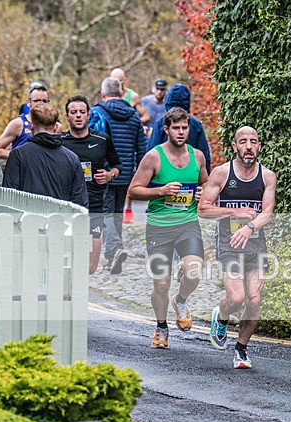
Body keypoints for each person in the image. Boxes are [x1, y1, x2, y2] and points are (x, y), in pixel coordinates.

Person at [127, 107, 209, 349]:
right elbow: (133, 191)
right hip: (159, 227)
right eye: (176, 128)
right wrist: (161, 191)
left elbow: (206, 183)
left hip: (187, 223)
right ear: (166, 129)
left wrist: (203, 192)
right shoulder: (153, 157)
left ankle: (180, 300)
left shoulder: (198, 157)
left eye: (184, 128)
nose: (181, 132)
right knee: (161, 284)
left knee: (194, 271)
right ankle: (161, 327)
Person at [198, 126, 276, 369]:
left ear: (259, 146)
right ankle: (221, 317)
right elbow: (203, 209)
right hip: (228, 243)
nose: (249, 146)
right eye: (243, 142)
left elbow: (267, 212)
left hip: (255, 243)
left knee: (254, 299)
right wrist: (234, 212)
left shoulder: (267, 176)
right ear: (235, 146)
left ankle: (241, 349)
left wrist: (249, 227)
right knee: (236, 296)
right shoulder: (221, 173)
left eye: (253, 141)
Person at [88, 76, 148, 274]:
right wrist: (140, 176)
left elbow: (90, 142)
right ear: (122, 93)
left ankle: (114, 249)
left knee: (105, 214)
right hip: (125, 173)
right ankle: (111, 258)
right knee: (116, 214)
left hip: (103, 173)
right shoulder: (134, 116)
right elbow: (142, 148)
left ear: (103, 93)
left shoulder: (97, 112)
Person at [61, 95, 123, 274]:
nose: (78, 115)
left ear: (88, 116)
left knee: (90, 268)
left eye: (82, 112)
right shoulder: (60, 141)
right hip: (67, 207)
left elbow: (118, 165)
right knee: (67, 262)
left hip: (94, 206)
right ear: (67, 117)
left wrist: (110, 175)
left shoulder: (101, 140)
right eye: (74, 112)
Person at [3, 103, 88, 208]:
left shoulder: (18, 155)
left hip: (27, 217)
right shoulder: (72, 158)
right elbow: (80, 202)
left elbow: (9, 198)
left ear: (31, 125)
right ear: (56, 127)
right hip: (61, 217)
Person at [147, 84, 211, 174]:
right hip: (191, 173)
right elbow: (204, 154)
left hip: (164, 174)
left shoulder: (161, 122)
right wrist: (205, 176)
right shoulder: (195, 124)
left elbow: (151, 151)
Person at [0, 84, 51, 160]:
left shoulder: (52, 124)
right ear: (28, 102)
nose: (41, 104)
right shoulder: (18, 123)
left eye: (44, 101)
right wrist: (22, 158)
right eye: (37, 101)